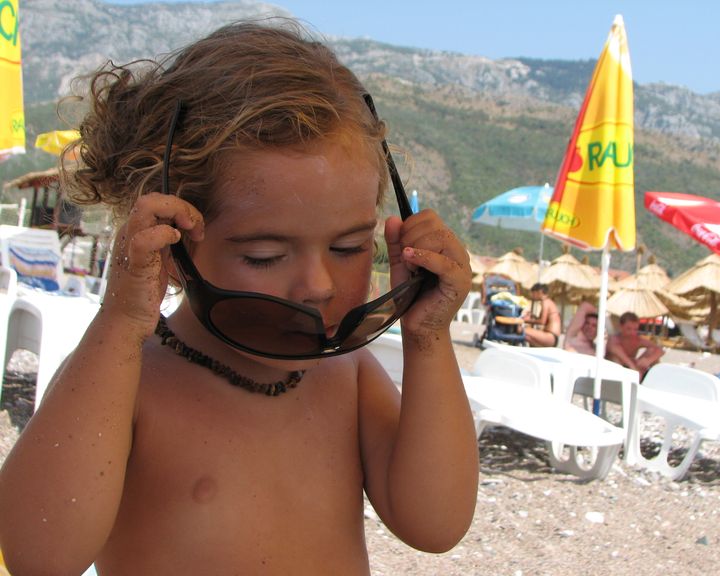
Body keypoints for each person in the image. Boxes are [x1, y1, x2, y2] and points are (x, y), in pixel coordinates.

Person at [0, 21, 479, 575]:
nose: (319, 285)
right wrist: (120, 323)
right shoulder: (128, 378)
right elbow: (37, 554)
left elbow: (436, 524)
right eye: (264, 256)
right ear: (173, 245)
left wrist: (428, 338)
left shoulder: (350, 378)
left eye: (349, 247)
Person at [606, 311, 665, 379]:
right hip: (614, 369)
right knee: (615, 358)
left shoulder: (637, 339)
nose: (632, 332)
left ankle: (656, 379)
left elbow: (660, 350)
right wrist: (634, 369)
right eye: (629, 329)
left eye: (635, 329)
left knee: (652, 351)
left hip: (631, 367)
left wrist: (648, 360)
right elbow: (622, 356)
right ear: (621, 327)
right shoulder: (614, 339)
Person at [521, 282, 561, 347]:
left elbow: (542, 321)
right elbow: (545, 320)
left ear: (539, 292)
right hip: (552, 337)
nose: (532, 296)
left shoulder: (545, 302)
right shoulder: (549, 302)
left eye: (533, 294)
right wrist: (533, 317)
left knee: (520, 329)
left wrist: (526, 320)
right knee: (526, 337)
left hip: (550, 336)